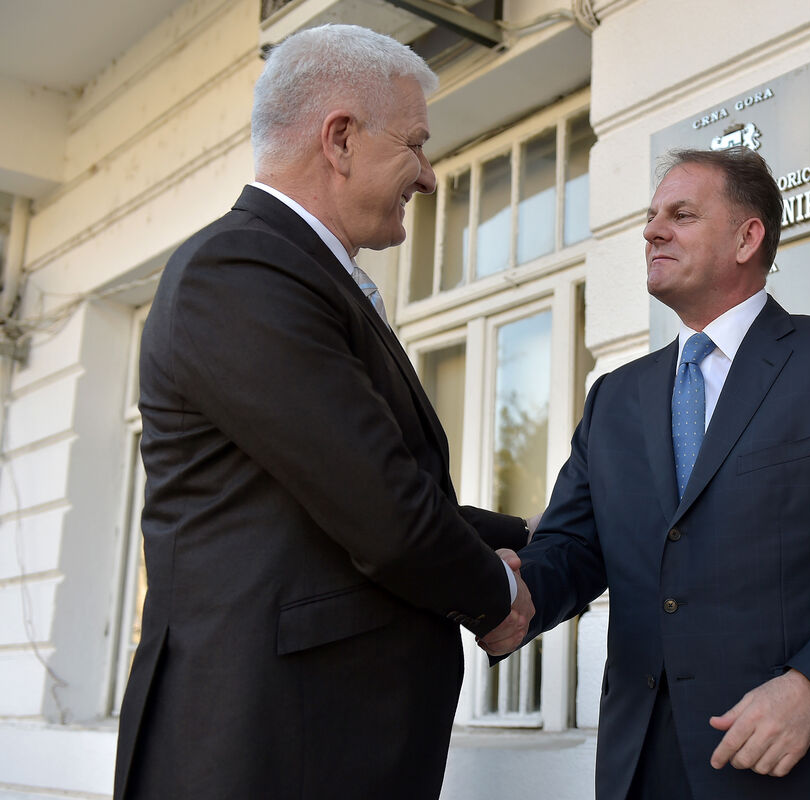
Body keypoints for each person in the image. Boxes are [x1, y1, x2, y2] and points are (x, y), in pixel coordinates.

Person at [114, 24, 533, 800]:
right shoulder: (239, 269)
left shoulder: (293, 273)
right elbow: (378, 502)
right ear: (340, 139)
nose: (428, 176)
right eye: (415, 145)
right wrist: (495, 596)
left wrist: (536, 540)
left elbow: (354, 493)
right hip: (265, 751)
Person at [481, 147, 810, 799]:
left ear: (746, 237)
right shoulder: (614, 397)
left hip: (798, 763)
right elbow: (573, 547)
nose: (652, 231)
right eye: (652, 217)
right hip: (643, 764)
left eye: (681, 215)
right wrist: (510, 593)